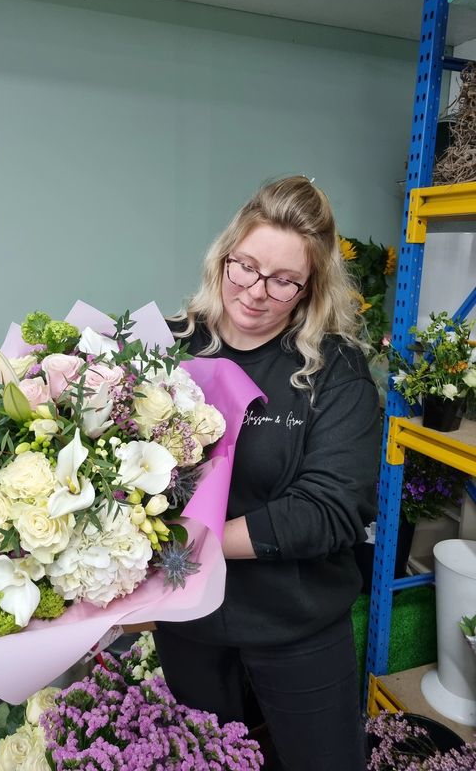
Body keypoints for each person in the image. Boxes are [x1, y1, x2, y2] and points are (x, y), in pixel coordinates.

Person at [155, 176, 380, 771]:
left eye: (283, 280)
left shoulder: (336, 371)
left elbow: (331, 509)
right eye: (246, 267)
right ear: (223, 256)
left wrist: (186, 542)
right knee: (205, 760)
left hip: (296, 627)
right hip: (190, 624)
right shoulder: (171, 346)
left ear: (310, 288)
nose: (255, 292)